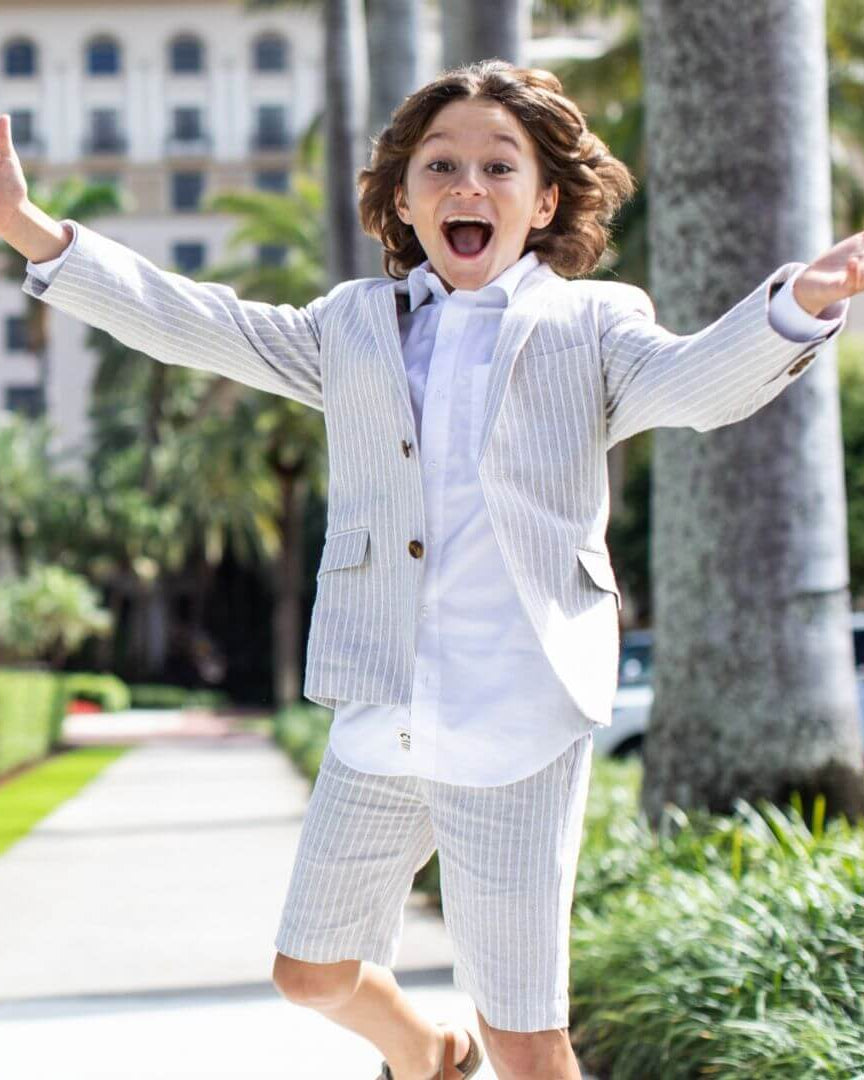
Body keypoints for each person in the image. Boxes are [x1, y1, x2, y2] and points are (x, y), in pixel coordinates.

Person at [2, 58, 862, 1080]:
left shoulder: (594, 323)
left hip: (517, 718)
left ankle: (472, 1049)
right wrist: (29, 229)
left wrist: (797, 305)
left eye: (500, 166)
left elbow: (694, 385)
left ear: (544, 201)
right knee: (311, 972)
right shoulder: (352, 326)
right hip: (386, 707)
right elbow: (202, 323)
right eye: (440, 164)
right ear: (404, 200)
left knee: (526, 1039)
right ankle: (426, 1054)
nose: (468, 184)